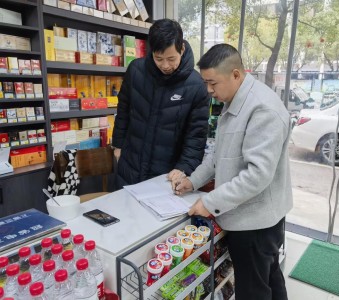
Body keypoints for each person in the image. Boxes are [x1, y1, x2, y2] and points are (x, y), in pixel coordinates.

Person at [170, 44, 293, 300]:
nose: (209, 90)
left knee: (253, 290)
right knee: (268, 278)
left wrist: (210, 202)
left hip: (256, 222)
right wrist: (192, 182)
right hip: (249, 217)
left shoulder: (262, 109)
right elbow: (218, 156)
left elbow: (257, 175)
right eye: (205, 82)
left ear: (236, 74)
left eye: (212, 83)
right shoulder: (234, 100)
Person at [112, 19, 210, 186]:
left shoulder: (197, 85)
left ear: (182, 49)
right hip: (130, 164)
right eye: (159, 58)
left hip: (167, 173)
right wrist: (118, 146)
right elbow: (123, 110)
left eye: (171, 59)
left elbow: (196, 135)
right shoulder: (135, 71)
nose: (165, 65)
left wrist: (184, 167)